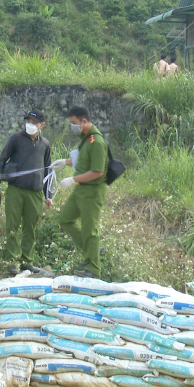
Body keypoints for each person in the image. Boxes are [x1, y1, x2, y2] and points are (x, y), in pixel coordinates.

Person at [0, 110, 53, 276]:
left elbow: (48, 171)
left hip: (35, 192)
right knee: (12, 225)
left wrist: (49, 196)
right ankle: (12, 261)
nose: (30, 125)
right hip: (16, 190)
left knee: (30, 227)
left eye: (33, 122)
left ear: (41, 125)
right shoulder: (15, 139)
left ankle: (27, 262)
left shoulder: (44, 144)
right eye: (28, 121)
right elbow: (1, 161)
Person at [51, 106, 108, 279]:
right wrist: (65, 162)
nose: (73, 127)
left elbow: (98, 171)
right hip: (81, 190)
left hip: (92, 191)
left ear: (84, 121)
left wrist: (73, 180)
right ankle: (93, 251)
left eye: (74, 123)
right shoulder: (86, 139)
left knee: (90, 229)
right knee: (65, 218)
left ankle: (94, 269)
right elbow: (82, 161)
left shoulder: (97, 142)